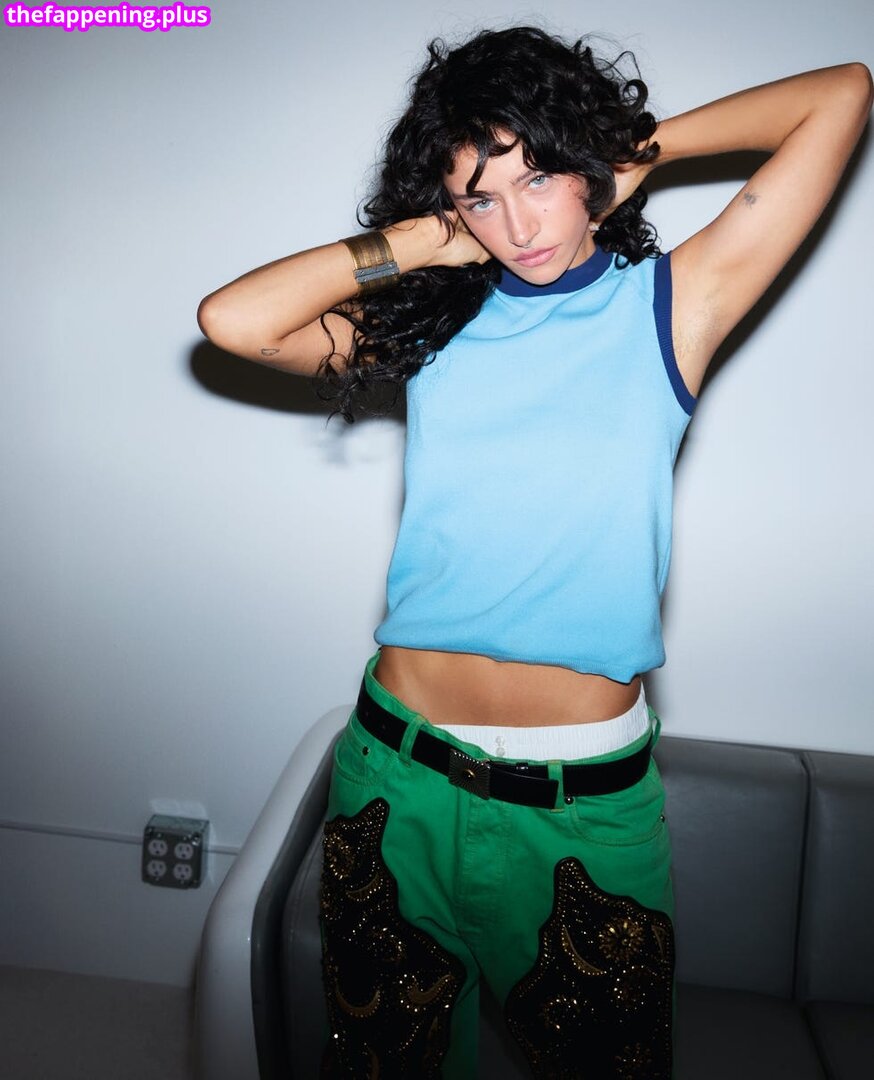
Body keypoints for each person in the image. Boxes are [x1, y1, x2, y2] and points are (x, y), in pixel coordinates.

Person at [198, 26, 871, 1079]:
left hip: (579, 814)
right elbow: (234, 321)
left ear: (586, 169)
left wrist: (629, 153)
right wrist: (426, 242)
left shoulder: (672, 305)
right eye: (481, 197)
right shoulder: (433, 333)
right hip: (393, 778)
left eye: (540, 177)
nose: (518, 224)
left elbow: (841, 92)